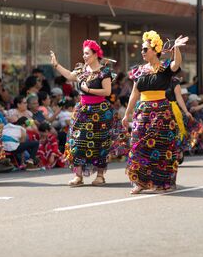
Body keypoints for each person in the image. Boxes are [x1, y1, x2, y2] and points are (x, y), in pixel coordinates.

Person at [122, 30, 188, 194]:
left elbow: (176, 64)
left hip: (161, 113)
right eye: (142, 49)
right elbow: (134, 93)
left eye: (145, 49)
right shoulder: (139, 70)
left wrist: (176, 49)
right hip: (142, 113)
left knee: (160, 147)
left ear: (155, 50)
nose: (142, 52)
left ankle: (160, 182)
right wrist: (127, 114)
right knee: (139, 147)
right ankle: (140, 182)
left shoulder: (165, 66)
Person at [51, 40, 114, 186]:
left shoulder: (104, 72)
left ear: (95, 54)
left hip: (100, 111)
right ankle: (78, 176)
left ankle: (100, 175)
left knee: (100, 143)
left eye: (87, 53)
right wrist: (56, 65)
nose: (84, 56)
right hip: (82, 110)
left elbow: (107, 91)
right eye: (83, 53)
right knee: (76, 141)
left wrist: (89, 90)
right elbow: (69, 75)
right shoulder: (82, 70)